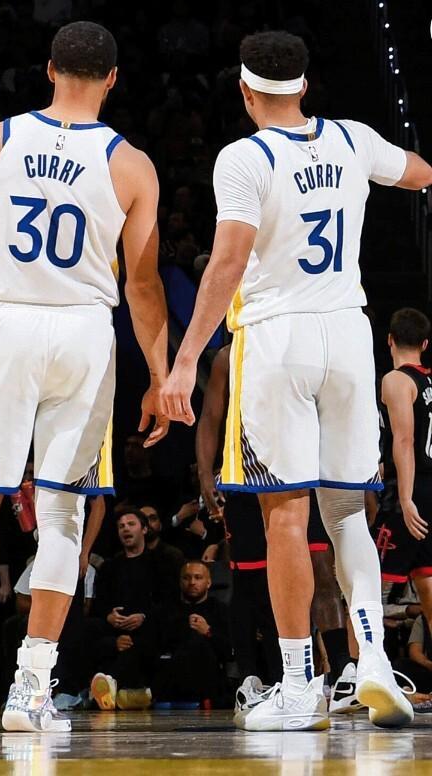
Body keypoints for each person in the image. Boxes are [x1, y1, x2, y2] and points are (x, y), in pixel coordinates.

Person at [161, 29, 432, 730]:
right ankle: (373, 660)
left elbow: (227, 263)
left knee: (284, 514)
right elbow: (420, 173)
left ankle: (298, 686)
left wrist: (186, 360)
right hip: (348, 332)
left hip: (277, 337)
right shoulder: (351, 139)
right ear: (304, 85)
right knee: (347, 513)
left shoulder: (244, 157)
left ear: (245, 90)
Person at [0, 21, 169, 733]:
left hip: (6, 323)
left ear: (49, 69)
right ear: (113, 79)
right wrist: (160, 373)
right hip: (85, 332)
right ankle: (31, 690)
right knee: (63, 513)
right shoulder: (131, 164)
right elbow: (144, 286)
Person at [197, 345, 358, 711]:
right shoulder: (228, 356)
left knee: (322, 571)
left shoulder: (302, 342)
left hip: (303, 472)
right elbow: (211, 416)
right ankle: (250, 679)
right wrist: (205, 474)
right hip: (248, 474)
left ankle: (341, 670)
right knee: (249, 582)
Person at [378, 309, 432, 629]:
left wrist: (406, 497)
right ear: (424, 344)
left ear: (390, 340)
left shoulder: (396, 379)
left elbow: (404, 439)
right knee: (427, 583)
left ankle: (357, 657)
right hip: (428, 485)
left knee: (368, 585)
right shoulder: (428, 381)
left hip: (409, 489)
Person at [89, 509, 160, 711]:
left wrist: (144, 616)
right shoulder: (110, 567)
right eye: (121, 526)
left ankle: (109, 684)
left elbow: (168, 602)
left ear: (144, 529)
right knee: (91, 631)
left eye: (131, 524)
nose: (125, 529)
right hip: (115, 630)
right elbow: (99, 605)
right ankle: (115, 693)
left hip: (148, 628)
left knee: (138, 644)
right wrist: (109, 617)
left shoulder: (160, 562)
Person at [150, 560, 232, 706]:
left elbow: (229, 651)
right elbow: (155, 644)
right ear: (180, 582)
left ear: (208, 583)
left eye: (198, 577)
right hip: (171, 671)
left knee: (197, 643)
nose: (192, 582)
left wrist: (208, 631)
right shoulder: (165, 610)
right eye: (187, 578)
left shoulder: (221, 610)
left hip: (208, 675)